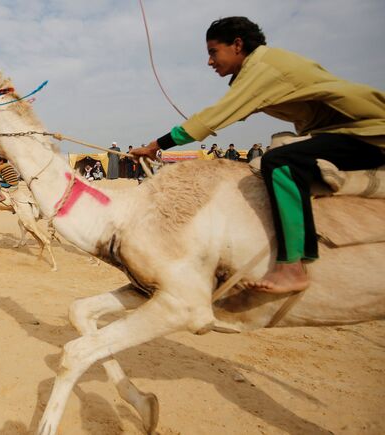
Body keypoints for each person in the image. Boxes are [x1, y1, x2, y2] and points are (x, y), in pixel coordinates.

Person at [130, 16, 385, 294]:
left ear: (237, 44)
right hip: (346, 132)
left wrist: (157, 145)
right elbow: (225, 114)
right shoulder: (258, 72)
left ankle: (292, 267)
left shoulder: (262, 68)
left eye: (213, 52)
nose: (210, 62)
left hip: (368, 131)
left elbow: (213, 117)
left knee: (279, 162)